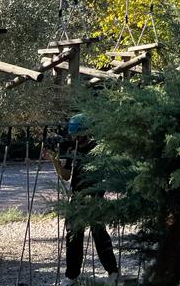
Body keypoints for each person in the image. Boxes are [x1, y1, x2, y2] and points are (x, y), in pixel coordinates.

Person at [49, 114, 118, 286]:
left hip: (95, 196)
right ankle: (72, 276)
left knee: (99, 234)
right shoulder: (70, 147)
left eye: (78, 135)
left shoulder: (97, 148)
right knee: (73, 235)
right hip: (77, 196)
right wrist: (54, 159)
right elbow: (66, 176)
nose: (76, 139)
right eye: (74, 135)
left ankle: (113, 272)